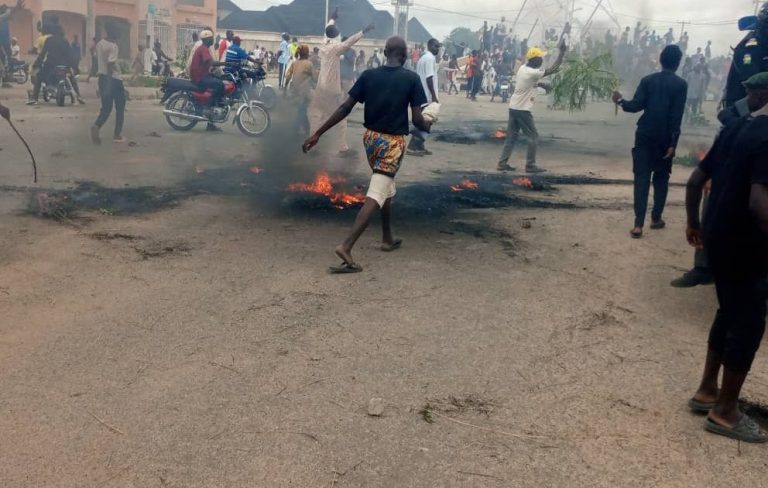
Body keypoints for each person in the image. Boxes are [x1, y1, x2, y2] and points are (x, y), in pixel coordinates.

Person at [684, 72, 768, 443]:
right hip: (747, 247)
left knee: (728, 310)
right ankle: (725, 412)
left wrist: (694, 223)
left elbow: (693, 180)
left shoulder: (736, 128)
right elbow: (758, 202)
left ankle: (707, 391)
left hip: (718, 241)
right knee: (748, 322)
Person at [301, 36, 430, 274]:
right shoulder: (411, 79)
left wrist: (318, 132)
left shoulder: (369, 76)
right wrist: (428, 125)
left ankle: (387, 237)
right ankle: (346, 246)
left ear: (384, 52)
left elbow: (344, 107)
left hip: (370, 140)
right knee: (378, 190)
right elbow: (417, 119)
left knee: (386, 186)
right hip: (392, 143)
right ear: (405, 55)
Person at [613, 45, 688, 238]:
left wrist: (620, 101)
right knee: (661, 179)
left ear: (661, 59)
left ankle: (638, 225)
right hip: (665, 139)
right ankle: (656, 218)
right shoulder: (680, 85)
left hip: (645, 135)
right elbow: (676, 117)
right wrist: (673, 144)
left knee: (642, 179)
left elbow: (635, 106)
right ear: (678, 63)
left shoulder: (648, 81)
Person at [308, 8, 374, 155]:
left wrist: (332, 18)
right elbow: (349, 42)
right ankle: (342, 146)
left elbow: (328, 29)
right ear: (337, 36)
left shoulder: (323, 44)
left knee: (316, 114)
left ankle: (312, 142)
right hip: (332, 89)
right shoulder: (335, 48)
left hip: (321, 87)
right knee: (341, 117)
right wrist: (364, 31)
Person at [497, 44, 567, 174]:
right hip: (523, 110)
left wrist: (541, 85)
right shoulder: (533, 72)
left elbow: (528, 82)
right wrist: (561, 53)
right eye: (540, 58)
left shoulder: (523, 68)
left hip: (513, 107)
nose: (541, 60)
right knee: (533, 137)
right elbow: (554, 69)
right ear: (535, 60)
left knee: (511, 138)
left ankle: (502, 163)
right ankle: (530, 165)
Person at [28, 24, 84, 105]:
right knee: (72, 78)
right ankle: (79, 96)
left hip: (51, 64)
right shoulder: (65, 41)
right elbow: (70, 55)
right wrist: (75, 67)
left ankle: (34, 98)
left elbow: (43, 54)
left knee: (39, 77)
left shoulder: (49, 40)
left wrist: (36, 64)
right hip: (64, 65)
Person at [91, 22, 126, 144]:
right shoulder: (113, 46)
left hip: (102, 77)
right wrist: (111, 82)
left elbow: (96, 60)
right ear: (114, 32)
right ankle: (117, 135)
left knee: (106, 107)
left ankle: (97, 125)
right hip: (114, 79)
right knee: (120, 106)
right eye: (118, 33)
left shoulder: (100, 43)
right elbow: (111, 63)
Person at [407, 38, 440, 156]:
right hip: (427, 95)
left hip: (422, 94)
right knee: (426, 121)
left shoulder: (423, 58)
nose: (438, 49)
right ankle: (413, 146)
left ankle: (419, 146)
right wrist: (434, 96)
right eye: (436, 46)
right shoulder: (430, 58)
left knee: (424, 120)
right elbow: (429, 78)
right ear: (430, 46)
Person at [188, 29, 226, 132]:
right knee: (219, 85)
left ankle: (211, 122)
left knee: (218, 81)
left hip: (201, 75)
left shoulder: (204, 48)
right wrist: (226, 63)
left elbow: (207, 64)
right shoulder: (203, 48)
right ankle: (210, 106)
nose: (212, 40)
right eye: (211, 38)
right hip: (199, 77)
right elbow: (212, 63)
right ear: (207, 39)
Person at [283, 44, 316, 135]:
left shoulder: (294, 63)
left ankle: (304, 128)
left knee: (301, 109)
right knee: (302, 110)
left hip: (295, 90)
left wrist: (285, 88)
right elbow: (315, 78)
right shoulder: (309, 64)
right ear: (307, 53)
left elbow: (288, 77)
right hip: (304, 92)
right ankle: (300, 128)